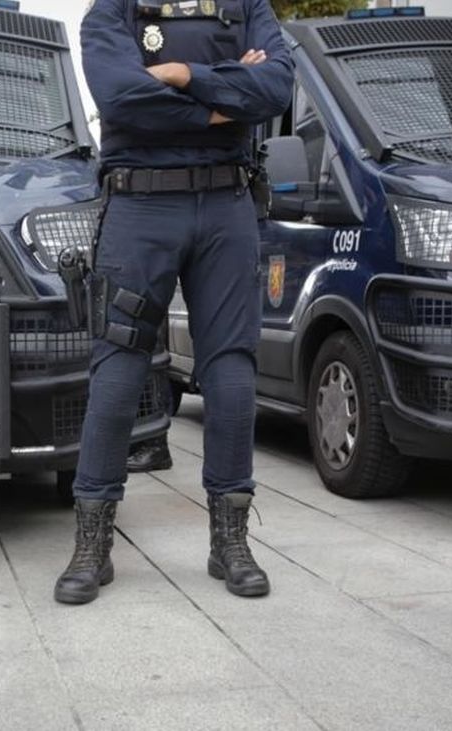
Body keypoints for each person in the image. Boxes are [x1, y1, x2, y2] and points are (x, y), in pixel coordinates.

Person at [54, 0, 293, 605]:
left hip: (227, 208)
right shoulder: (111, 11)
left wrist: (183, 76)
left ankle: (230, 542)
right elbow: (121, 98)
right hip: (139, 207)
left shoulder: (246, 6)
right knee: (118, 372)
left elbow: (276, 86)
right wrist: (224, 102)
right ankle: (92, 546)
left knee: (232, 373)